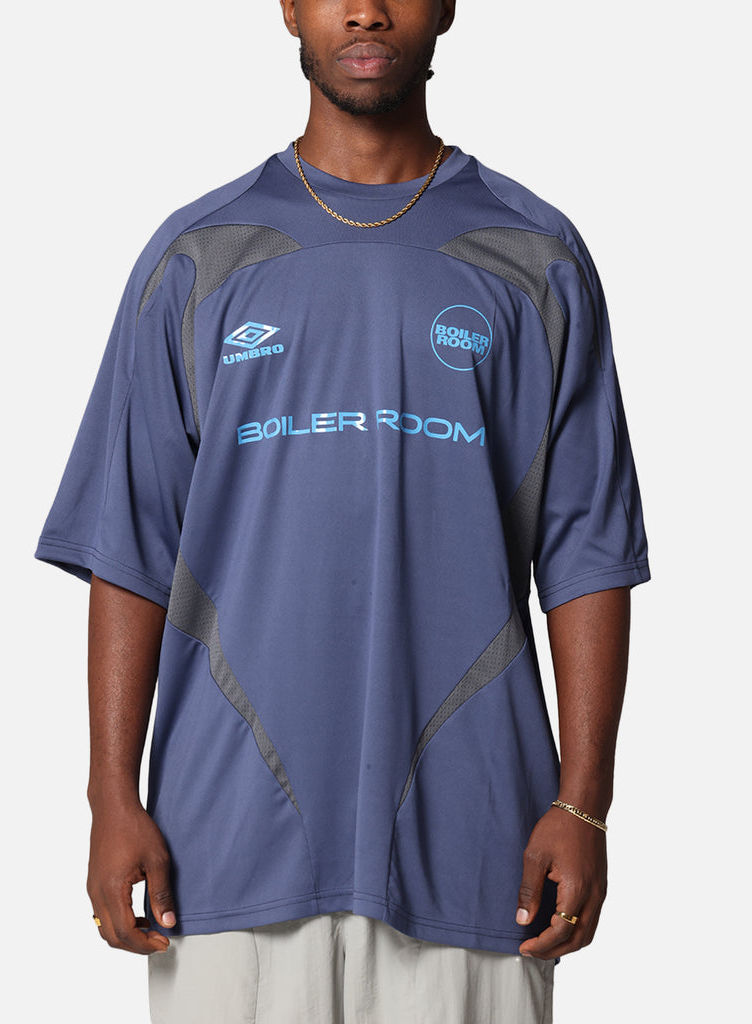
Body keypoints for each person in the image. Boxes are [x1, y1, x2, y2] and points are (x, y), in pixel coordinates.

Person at [36, 2, 649, 1021]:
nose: (366, 8)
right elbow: (129, 545)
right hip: (223, 848)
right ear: (289, 7)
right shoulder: (197, 257)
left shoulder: (536, 257)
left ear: (447, 4)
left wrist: (584, 804)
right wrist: (110, 796)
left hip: (477, 846)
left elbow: (587, 550)